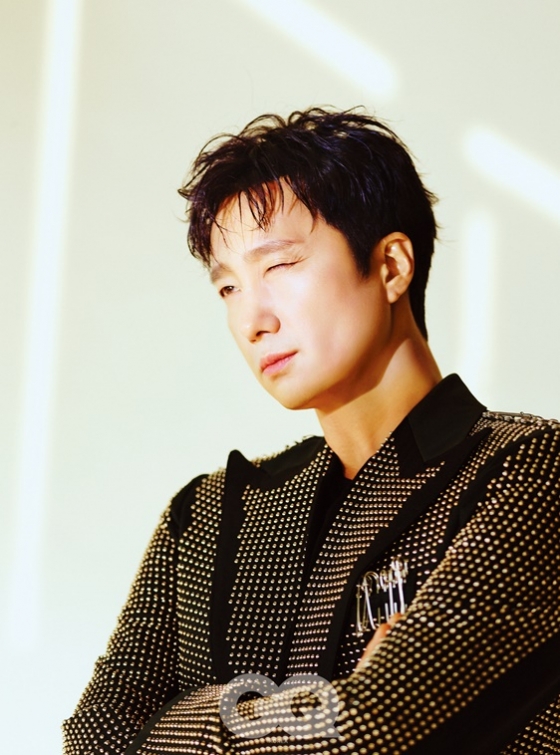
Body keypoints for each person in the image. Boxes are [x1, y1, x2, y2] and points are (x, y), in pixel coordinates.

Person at [63, 108, 560, 754]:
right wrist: (324, 705)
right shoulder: (208, 515)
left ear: (391, 266)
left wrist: (176, 724)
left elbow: (367, 729)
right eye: (228, 288)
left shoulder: (530, 470)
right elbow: (95, 736)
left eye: (279, 266)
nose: (253, 320)